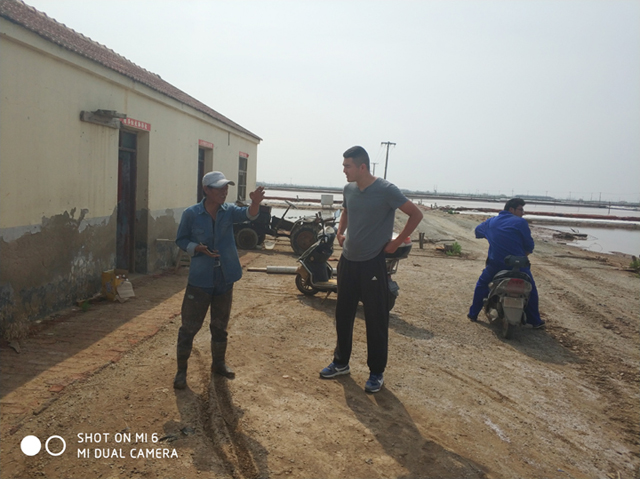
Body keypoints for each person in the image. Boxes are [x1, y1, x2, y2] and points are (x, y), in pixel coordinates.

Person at [319, 146, 423, 393]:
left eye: (347, 166)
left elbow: (415, 214)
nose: (344, 170)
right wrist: (341, 232)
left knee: (375, 319)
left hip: (372, 263)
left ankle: (376, 372)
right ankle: (341, 363)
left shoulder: (386, 190)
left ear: (362, 167)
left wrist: (397, 242)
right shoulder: (349, 189)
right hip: (348, 261)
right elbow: (346, 210)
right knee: (343, 314)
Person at [173, 171, 265, 389]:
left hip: (225, 277)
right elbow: (181, 239)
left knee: (220, 325)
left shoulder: (229, 211)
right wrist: (196, 248)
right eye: (219, 188)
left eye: (226, 188)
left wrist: (255, 203)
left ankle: (219, 364)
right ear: (206, 190)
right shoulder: (191, 214)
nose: (224, 192)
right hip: (200, 280)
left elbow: (249, 215)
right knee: (189, 327)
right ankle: (181, 371)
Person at [467, 197, 545, 328]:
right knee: (530, 289)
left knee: (482, 285)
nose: (523, 213)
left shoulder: (491, 222)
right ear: (511, 209)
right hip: (519, 265)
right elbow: (529, 246)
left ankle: (473, 314)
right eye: (521, 209)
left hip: (496, 265)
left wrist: (492, 236)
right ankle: (535, 321)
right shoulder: (521, 222)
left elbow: (478, 231)